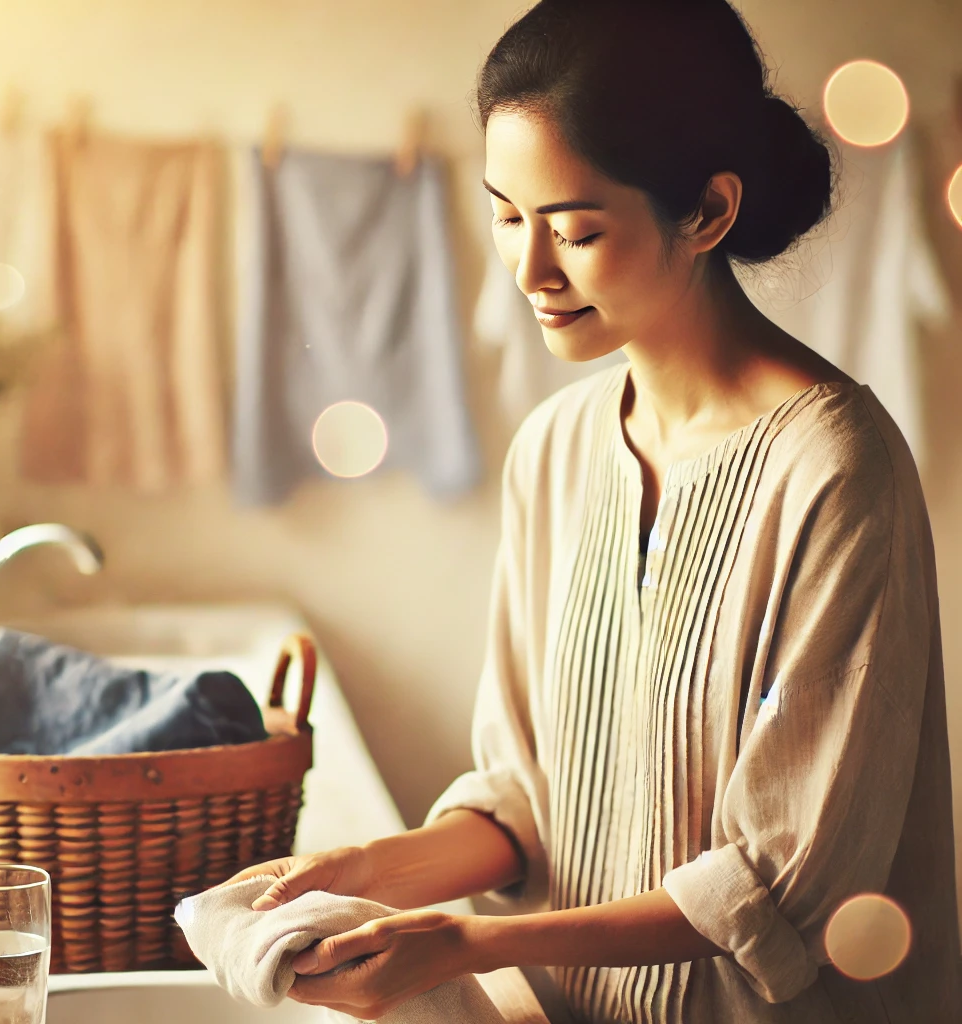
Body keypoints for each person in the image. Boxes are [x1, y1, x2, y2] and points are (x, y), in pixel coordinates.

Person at [227, 1, 962, 1020]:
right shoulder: (556, 449)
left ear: (707, 212)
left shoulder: (835, 468)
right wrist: (357, 871)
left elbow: (787, 879)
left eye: (573, 229)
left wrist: (472, 941)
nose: (529, 270)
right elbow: (527, 802)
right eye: (505, 213)